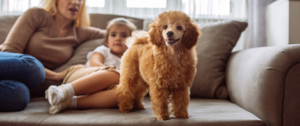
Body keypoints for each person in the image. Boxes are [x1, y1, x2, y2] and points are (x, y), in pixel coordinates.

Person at [0, 0, 106, 112]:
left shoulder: (80, 33)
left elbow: (115, 33)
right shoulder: (37, 15)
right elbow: (10, 52)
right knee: (34, 68)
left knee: (20, 95)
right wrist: (56, 76)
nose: (75, 2)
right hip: (8, 63)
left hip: (19, 81)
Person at [45, 18, 137, 114]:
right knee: (117, 74)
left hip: (102, 90)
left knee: (125, 93)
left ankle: (67, 103)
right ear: (107, 41)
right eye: (113, 35)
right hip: (81, 77)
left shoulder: (131, 60)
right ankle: (62, 91)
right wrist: (116, 74)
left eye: (124, 35)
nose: (118, 38)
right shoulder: (103, 50)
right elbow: (95, 64)